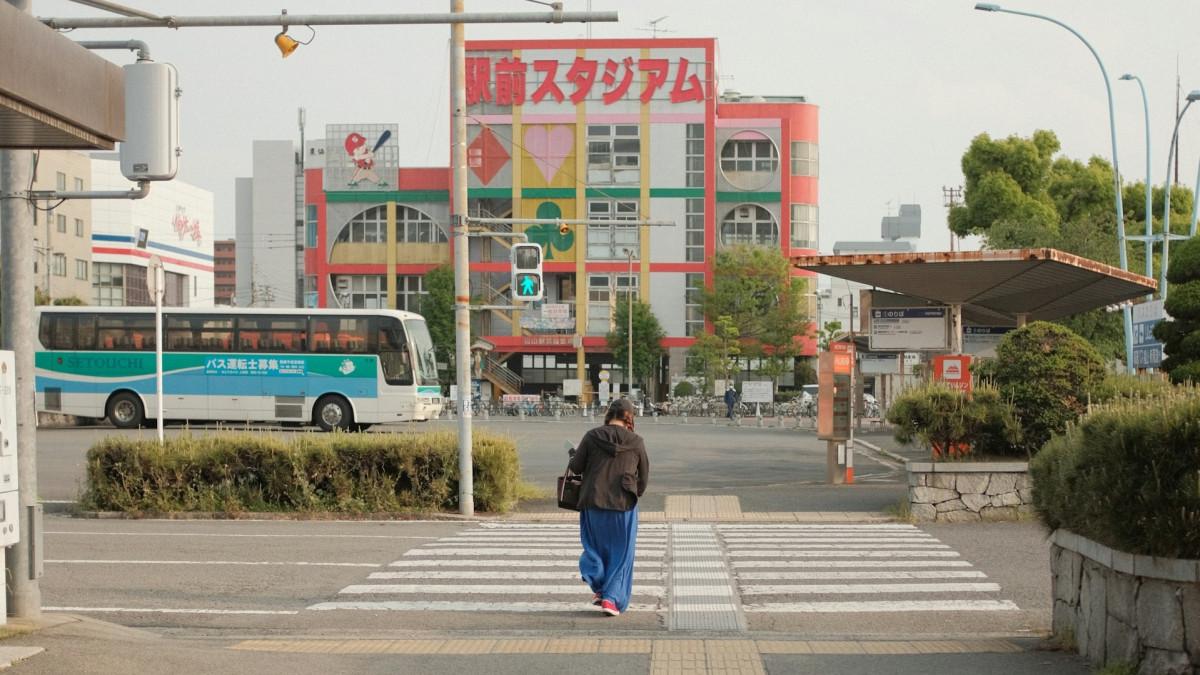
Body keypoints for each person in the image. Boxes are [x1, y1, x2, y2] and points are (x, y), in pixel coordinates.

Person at [569, 398, 649, 617]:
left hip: (593, 501)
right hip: (624, 504)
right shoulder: (636, 441)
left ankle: (600, 586)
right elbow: (643, 477)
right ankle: (611, 599)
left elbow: (576, 467)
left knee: (594, 548)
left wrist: (573, 454)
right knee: (621, 554)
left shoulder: (592, 436)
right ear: (629, 417)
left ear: (609, 414)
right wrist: (636, 493)